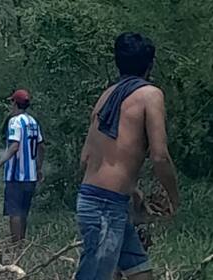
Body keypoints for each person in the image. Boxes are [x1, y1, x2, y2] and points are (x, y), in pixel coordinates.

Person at [76, 32, 179, 280]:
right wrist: (174, 199)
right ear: (150, 64)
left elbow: (86, 158)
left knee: (140, 272)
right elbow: (160, 156)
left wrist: (132, 191)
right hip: (105, 205)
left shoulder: (106, 97)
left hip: (100, 199)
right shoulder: (151, 95)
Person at [0, 89, 45, 242]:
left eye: (11, 102)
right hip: (31, 176)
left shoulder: (15, 121)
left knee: (14, 212)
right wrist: (38, 168)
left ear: (15, 103)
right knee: (24, 212)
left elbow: (14, 146)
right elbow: (41, 146)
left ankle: (15, 246)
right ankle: (22, 242)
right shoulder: (33, 122)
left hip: (16, 176)